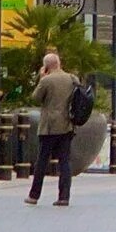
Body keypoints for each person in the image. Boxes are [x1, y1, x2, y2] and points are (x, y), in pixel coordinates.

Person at [26, 49, 82, 207]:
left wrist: (41, 78)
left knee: (42, 160)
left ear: (46, 67)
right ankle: (64, 196)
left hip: (49, 126)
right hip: (67, 124)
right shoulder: (72, 79)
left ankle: (34, 195)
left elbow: (35, 98)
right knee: (65, 161)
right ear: (59, 63)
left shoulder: (47, 80)